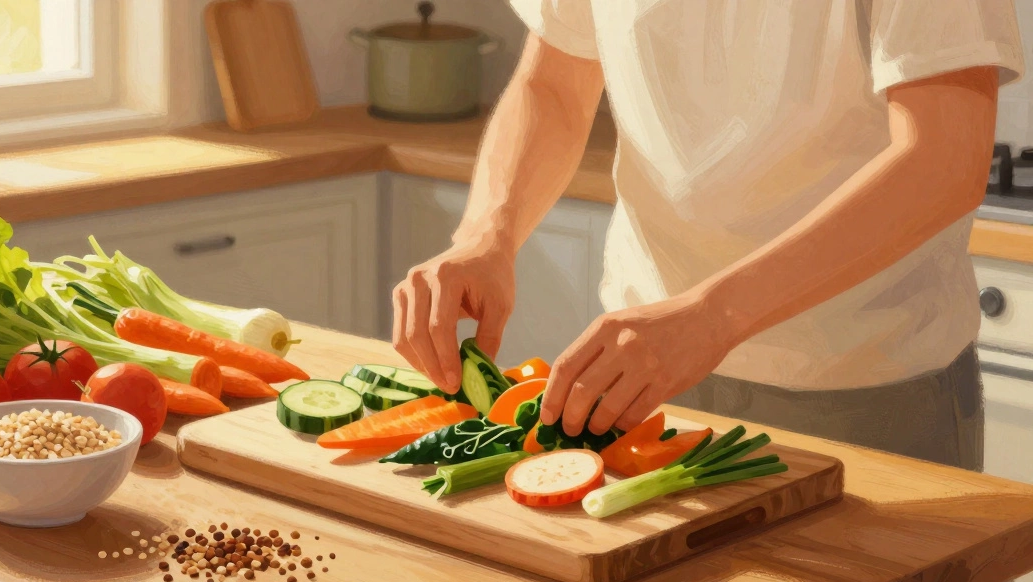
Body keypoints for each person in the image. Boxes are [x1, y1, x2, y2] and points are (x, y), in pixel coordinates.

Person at [391, 0, 1024, 470]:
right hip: (645, 381)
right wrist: (487, 232)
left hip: (864, 390)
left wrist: (713, 316)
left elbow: (944, 159)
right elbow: (554, 83)